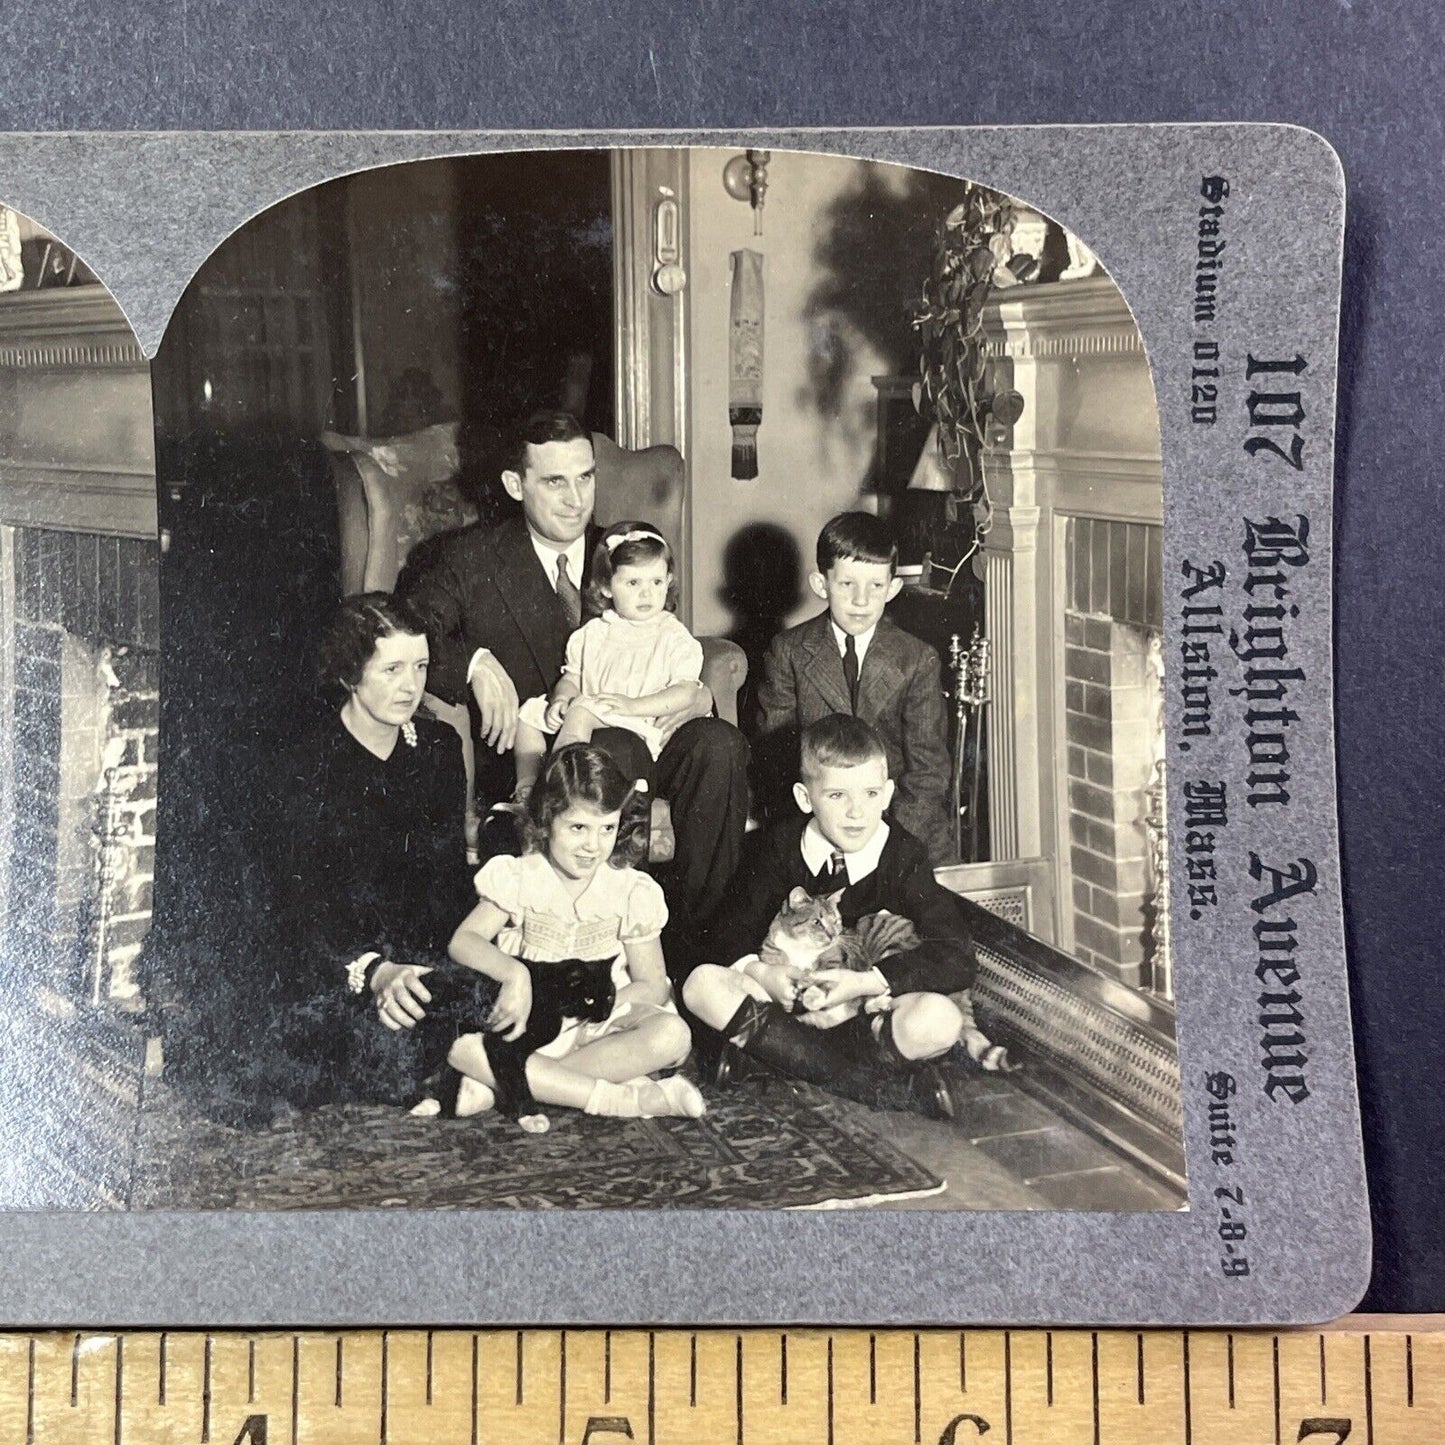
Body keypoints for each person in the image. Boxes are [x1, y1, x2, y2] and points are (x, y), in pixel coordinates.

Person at [398, 409, 750, 940]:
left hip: (647, 732)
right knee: (603, 746)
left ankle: (698, 945)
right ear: (516, 485)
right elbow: (406, 628)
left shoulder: (625, 552)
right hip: (546, 755)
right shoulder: (469, 559)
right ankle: (603, 944)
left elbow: (663, 641)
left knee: (719, 746)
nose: (576, 499)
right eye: (555, 481)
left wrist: (699, 694)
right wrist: (474, 662)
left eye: (585, 477)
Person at [273, 593, 503, 1110]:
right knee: (357, 1048)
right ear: (350, 673)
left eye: (420, 666)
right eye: (392, 668)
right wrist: (377, 972)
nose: (411, 686)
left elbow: (447, 877)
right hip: (342, 960)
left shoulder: (440, 748)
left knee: (513, 999)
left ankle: (473, 1074)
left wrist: (478, 960)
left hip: (424, 952)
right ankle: (515, 1079)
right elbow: (302, 903)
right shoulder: (306, 762)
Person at [684, 715, 977, 1115]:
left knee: (940, 1020)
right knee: (701, 985)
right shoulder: (776, 847)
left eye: (871, 793)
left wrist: (862, 983)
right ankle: (865, 1083)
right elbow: (726, 935)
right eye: (838, 796)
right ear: (806, 798)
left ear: (888, 793)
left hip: (864, 1019)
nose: (858, 812)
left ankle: (774, 1059)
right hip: (787, 1013)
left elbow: (956, 954)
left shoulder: (905, 856)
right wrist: (763, 973)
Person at [439, 743, 706, 1127]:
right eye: (578, 827)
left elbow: (651, 984)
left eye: (607, 828)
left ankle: (510, 1082)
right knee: (458, 1045)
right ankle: (619, 1097)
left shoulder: (629, 889)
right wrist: (515, 976)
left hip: (599, 1024)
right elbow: (463, 941)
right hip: (532, 1020)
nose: (593, 846)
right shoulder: (522, 876)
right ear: (547, 821)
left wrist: (604, 1011)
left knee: (673, 1034)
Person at [754, 511, 955, 864]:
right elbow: (778, 763)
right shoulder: (788, 652)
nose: (861, 600)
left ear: (892, 588)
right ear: (821, 584)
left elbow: (927, 770)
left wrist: (884, 845)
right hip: (815, 825)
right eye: (847, 584)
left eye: (875, 586)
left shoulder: (917, 659)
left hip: (900, 825)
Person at [511, 521, 704, 802]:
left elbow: (686, 692)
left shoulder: (673, 636)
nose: (647, 593)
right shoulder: (592, 633)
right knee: (528, 715)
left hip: (637, 721)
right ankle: (527, 789)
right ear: (606, 586)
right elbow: (572, 677)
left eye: (657, 582)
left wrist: (633, 705)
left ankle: (558, 787)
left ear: (669, 581)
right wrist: (561, 699)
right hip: (593, 712)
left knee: (581, 712)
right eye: (633, 583)